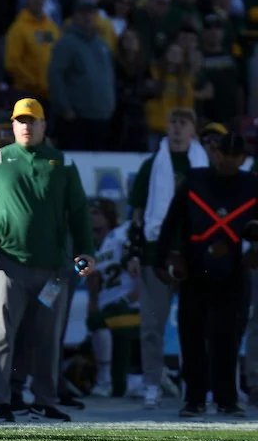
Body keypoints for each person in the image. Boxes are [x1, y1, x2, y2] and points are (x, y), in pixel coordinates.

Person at [0, 98, 96, 423]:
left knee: (48, 336)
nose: (26, 126)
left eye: (32, 121)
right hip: (8, 265)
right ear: (12, 125)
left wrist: (86, 250)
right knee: (1, 334)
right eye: (20, 120)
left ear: (44, 126)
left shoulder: (61, 164)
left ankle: (45, 399)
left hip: (54, 269)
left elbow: (78, 212)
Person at [156, 132, 256, 418]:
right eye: (226, 153)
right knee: (192, 336)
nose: (230, 160)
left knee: (227, 338)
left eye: (237, 156)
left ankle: (227, 399)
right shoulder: (195, 179)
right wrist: (164, 258)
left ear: (244, 158)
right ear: (216, 153)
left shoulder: (252, 184)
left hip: (233, 271)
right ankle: (194, 399)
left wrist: (254, 250)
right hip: (194, 267)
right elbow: (172, 221)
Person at [129, 108, 206, 409]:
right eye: (172, 123)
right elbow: (136, 213)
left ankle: (196, 385)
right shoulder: (152, 165)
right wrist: (134, 252)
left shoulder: (202, 166)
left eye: (183, 124)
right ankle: (152, 383)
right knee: (151, 323)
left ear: (193, 131)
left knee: (196, 325)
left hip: (194, 255)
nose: (176, 129)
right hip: (155, 254)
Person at [84, 199, 139, 398]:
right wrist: (93, 302)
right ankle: (109, 379)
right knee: (94, 319)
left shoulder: (119, 237)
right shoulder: (88, 244)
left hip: (128, 302)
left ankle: (106, 379)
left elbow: (137, 269)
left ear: (108, 216)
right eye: (89, 212)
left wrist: (133, 297)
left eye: (97, 212)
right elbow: (89, 277)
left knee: (99, 321)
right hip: (108, 303)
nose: (92, 217)